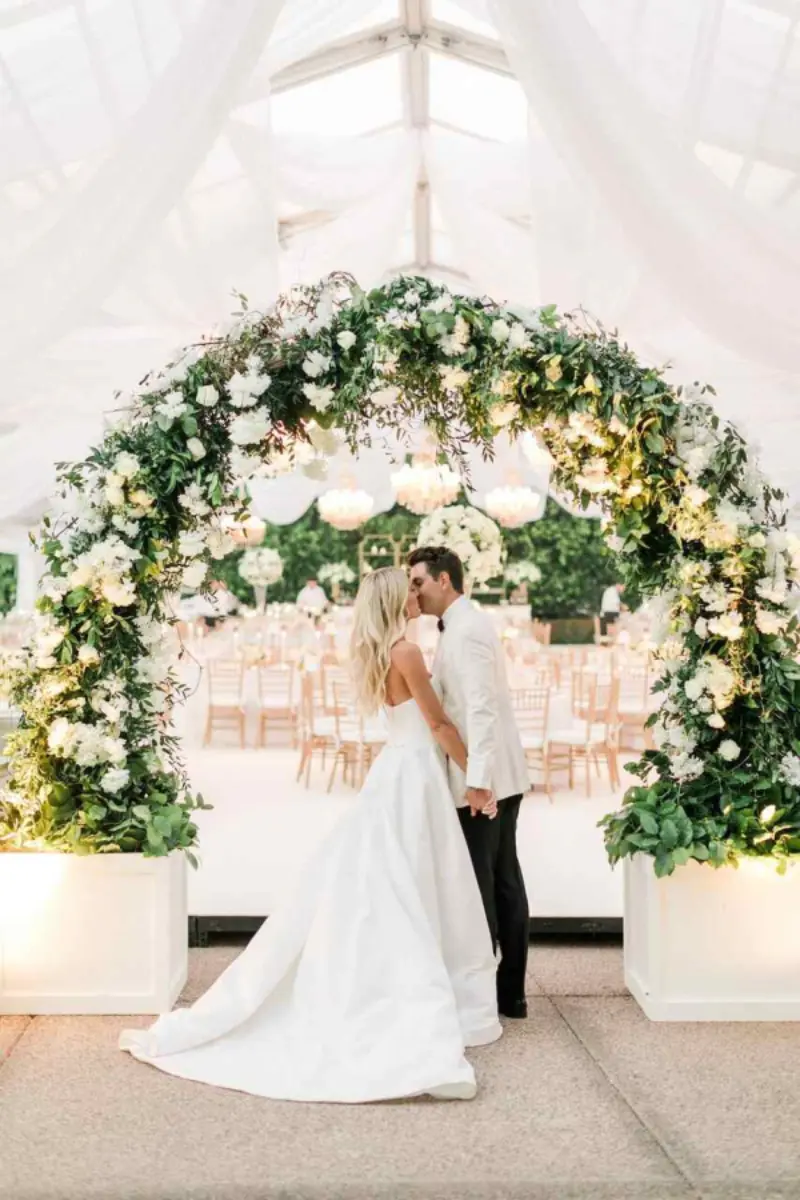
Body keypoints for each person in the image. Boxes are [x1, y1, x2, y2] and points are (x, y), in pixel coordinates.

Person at [119, 568, 501, 1102]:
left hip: (399, 769)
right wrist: (479, 781)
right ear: (396, 601)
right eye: (410, 590)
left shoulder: (381, 651)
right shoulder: (407, 653)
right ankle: (409, 988)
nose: (417, 595)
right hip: (414, 774)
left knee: (401, 879)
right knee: (414, 878)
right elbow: (439, 725)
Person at [408, 545, 531, 1020]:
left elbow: (481, 709)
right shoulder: (457, 627)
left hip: (486, 780)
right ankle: (506, 993)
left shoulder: (469, 630)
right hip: (486, 774)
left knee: (492, 885)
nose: (414, 592)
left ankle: (498, 992)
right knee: (500, 881)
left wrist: (477, 782)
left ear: (444, 580)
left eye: (418, 582)